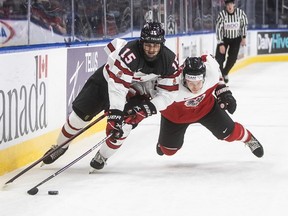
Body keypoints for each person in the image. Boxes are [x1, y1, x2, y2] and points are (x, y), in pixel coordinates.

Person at [42, 22, 180, 171]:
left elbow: (168, 93)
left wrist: (149, 107)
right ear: (141, 42)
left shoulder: (169, 61)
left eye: (155, 45)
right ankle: (61, 146)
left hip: (136, 91)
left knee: (124, 125)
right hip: (106, 81)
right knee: (78, 118)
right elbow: (118, 88)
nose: (151, 49)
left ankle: (103, 156)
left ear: (162, 44)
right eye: (148, 45)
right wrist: (115, 114)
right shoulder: (129, 54)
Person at [156, 55, 264, 158]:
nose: (195, 87)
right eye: (191, 83)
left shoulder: (211, 73)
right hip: (175, 117)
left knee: (230, 134)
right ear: (184, 79)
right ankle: (163, 143)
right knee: (168, 151)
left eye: (199, 83)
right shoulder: (171, 83)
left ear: (204, 77)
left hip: (206, 109)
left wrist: (224, 93)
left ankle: (249, 139)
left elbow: (212, 64)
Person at [215, 0, 248, 83]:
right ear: (225, 6)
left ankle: (225, 73)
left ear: (234, 4)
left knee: (232, 59)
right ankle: (220, 76)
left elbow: (244, 25)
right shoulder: (222, 15)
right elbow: (218, 29)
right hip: (224, 38)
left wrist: (243, 37)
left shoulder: (240, 13)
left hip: (236, 39)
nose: (229, 6)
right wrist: (221, 43)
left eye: (231, 4)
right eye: (227, 4)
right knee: (219, 59)